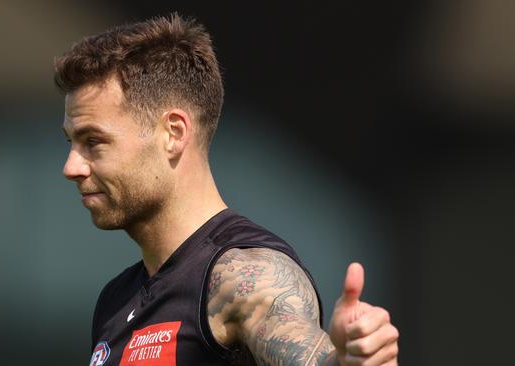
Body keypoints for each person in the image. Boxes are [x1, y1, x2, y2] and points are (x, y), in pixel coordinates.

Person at [54, 13, 399, 366]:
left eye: (93, 141)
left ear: (173, 133)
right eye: (71, 143)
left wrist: (347, 363)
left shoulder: (245, 276)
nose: (71, 168)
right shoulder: (115, 299)